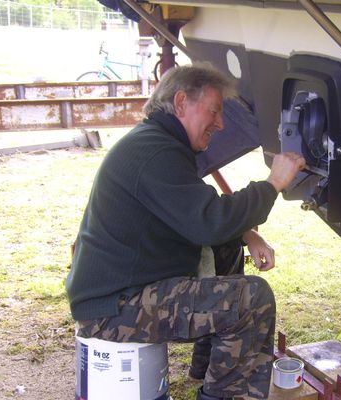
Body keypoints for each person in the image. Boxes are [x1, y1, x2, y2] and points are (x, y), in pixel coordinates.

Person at [65, 62, 305, 400]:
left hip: (121, 289)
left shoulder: (158, 143)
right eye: (215, 111)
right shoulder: (155, 152)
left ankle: (205, 369)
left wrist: (246, 234)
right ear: (181, 103)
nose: (220, 124)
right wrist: (273, 183)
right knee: (252, 300)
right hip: (112, 309)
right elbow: (209, 222)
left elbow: (196, 215)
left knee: (226, 250)